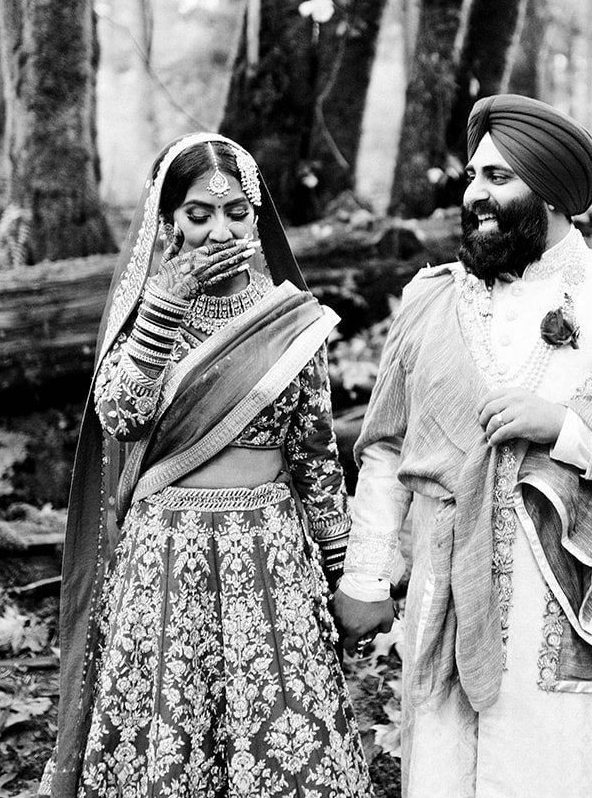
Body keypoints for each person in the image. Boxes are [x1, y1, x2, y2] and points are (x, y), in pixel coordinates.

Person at [334, 95, 592, 797]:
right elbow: (387, 446)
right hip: (443, 596)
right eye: (472, 176)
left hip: (568, 611)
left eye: (498, 178)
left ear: (549, 194)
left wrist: (568, 429)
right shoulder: (430, 298)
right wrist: (366, 576)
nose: (475, 194)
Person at [42, 133, 373, 798]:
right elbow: (121, 416)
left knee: (280, 736)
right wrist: (164, 309)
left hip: (269, 558)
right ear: (167, 223)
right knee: (172, 734)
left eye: (235, 212)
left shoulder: (291, 321)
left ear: (257, 216)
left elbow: (314, 457)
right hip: (164, 556)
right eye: (199, 214)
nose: (219, 230)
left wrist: (348, 573)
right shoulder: (146, 321)